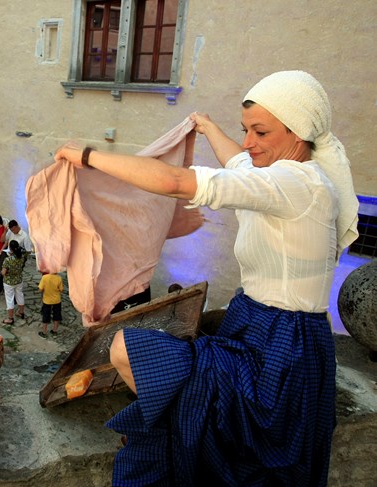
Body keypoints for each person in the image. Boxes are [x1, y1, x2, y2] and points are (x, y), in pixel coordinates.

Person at [53, 70, 358, 486]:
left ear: (300, 132)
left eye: (261, 132)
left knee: (127, 348)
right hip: (258, 326)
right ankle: (182, 434)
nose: (249, 142)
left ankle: (174, 435)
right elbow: (237, 160)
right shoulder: (277, 174)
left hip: (283, 348)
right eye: (245, 129)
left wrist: (85, 155)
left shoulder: (296, 183)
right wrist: (207, 126)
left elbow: (176, 181)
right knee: (210, 418)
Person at [0, 219, 32, 301]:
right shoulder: (10, 232)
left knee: (14, 278)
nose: (13, 231)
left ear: (17, 226)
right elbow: (3, 241)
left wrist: (19, 255)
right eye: (11, 230)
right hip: (9, 257)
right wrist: (5, 231)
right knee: (3, 276)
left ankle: (12, 297)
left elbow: (28, 251)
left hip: (18, 259)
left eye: (14, 229)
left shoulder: (24, 236)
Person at [1, 240, 27, 324]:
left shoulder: (8, 260)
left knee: (9, 299)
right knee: (20, 295)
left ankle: (10, 318)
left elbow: (3, 272)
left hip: (9, 282)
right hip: (19, 280)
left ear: (10, 249)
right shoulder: (22, 257)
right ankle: (21, 312)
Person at [37, 270, 63, 338]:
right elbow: (61, 289)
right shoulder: (59, 278)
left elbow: (40, 289)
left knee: (46, 315)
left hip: (47, 301)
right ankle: (54, 330)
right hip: (57, 300)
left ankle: (44, 332)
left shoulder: (44, 277)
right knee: (57, 315)